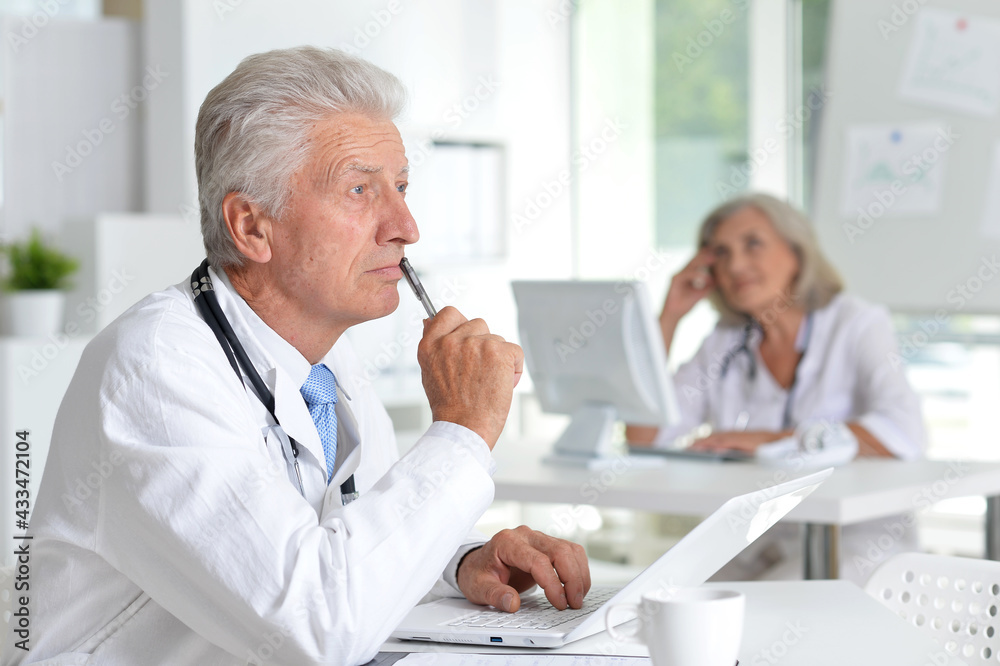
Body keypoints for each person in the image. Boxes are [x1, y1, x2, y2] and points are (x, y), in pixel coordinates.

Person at [8, 47, 589, 665]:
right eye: (360, 189)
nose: (405, 226)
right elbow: (320, 626)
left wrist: (461, 562)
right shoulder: (155, 369)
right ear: (252, 227)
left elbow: (348, 532)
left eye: (401, 187)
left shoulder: (325, 365)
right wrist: (464, 430)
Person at [628, 192, 926, 582]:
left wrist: (770, 439)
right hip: (756, 540)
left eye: (753, 243)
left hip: (852, 540)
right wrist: (669, 318)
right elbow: (644, 435)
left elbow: (905, 432)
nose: (735, 264)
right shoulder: (726, 340)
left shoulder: (858, 324)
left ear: (797, 252)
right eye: (721, 252)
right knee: (662, 595)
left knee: (760, 609)